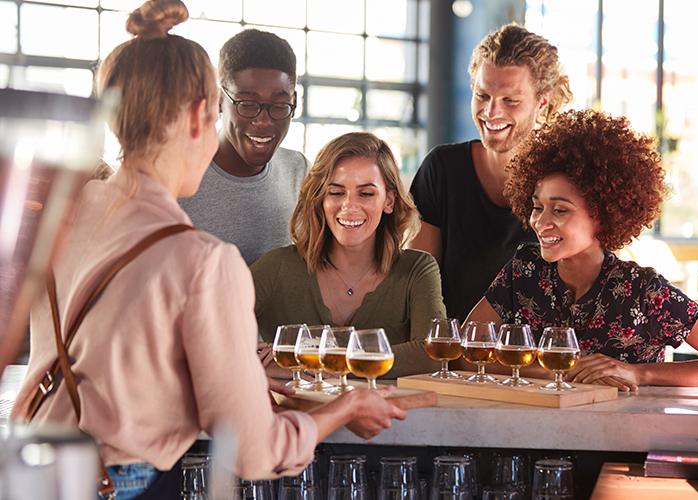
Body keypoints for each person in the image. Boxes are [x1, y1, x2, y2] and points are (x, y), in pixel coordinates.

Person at [9, 2, 405, 499]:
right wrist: (344, 409)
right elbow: (254, 451)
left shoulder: (65, 211)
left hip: (31, 465)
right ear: (205, 112)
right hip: (123, 481)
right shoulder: (204, 262)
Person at [461, 109, 698, 391]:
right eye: (537, 207)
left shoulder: (642, 290)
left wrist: (640, 374)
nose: (540, 222)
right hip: (535, 429)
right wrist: (559, 371)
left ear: (603, 214)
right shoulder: (524, 271)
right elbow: (465, 353)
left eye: (559, 210)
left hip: (624, 431)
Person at [408, 24, 573, 321]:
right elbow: (419, 281)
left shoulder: (570, 181)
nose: (491, 112)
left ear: (542, 102)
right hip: (453, 355)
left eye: (511, 100)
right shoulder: (442, 169)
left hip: (537, 360)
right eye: (482, 95)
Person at [250, 132, 446, 379]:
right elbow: (205, 329)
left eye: (366, 194)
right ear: (320, 198)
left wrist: (307, 361)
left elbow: (430, 354)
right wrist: (253, 358)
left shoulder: (418, 269)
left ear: (389, 201)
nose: (349, 206)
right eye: (336, 192)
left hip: (392, 418)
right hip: (299, 417)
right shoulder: (277, 267)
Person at [178, 28, 308, 266]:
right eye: (247, 104)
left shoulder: (299, 172)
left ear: (294, 102)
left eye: (279, 105)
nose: (264, 121)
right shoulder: (177, 178)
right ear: (219, 100)